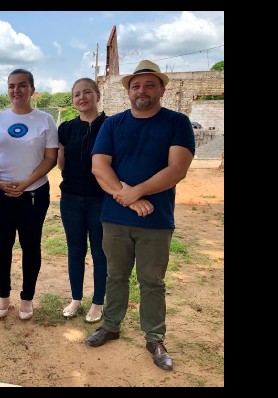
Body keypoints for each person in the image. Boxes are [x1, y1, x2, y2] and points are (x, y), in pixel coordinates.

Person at [85, 60, 195, 371]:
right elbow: (99, 167)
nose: (141, 90)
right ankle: (111, 325)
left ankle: (154, 337)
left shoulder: (177, 122)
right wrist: (131, 199)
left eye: (149, 85)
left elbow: (178, 169)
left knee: (151, 281)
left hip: (157, 221)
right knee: (115, 275)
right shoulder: (114, 124)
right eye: (136, 85)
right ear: (129, 92)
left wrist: (138, 191)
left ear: (161, 89)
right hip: (116, 217)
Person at [0, 68, 58, 321]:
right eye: (11, 86)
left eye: (22, 85)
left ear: (32, 90)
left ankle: (27, 298)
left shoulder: (45, 120)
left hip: (34, 194)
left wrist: (27, 182)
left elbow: (51, 158)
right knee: (2, 245)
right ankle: (4, 295)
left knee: (30, 245)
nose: (16, 90)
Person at [57, 78, 108, 323]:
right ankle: (76, 298)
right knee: (75, 250)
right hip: (71, 199)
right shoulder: (65, 129)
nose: (82, 97)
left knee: (100, 252)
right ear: (73, 100)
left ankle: (98, 302)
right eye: (77, 94)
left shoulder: (111, 125)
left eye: (87, 92)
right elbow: (60, 162)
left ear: (97, 95)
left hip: (101, 200)